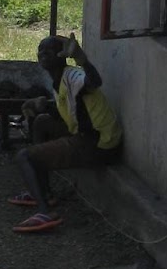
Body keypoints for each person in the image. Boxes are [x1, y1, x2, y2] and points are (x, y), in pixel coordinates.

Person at [12, 33, 123, 232]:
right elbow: (70, 110)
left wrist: (82, 58)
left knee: (24, 157)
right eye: (40, 50)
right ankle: (44, 192)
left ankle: (45, 211)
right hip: (88, 135)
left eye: (49, 50)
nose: (42, 54)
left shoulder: (73, 75)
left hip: (98, 143)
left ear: (61, 55)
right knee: (41, 122)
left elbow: (94, 81)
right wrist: (41, 105)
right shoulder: (59, 81)